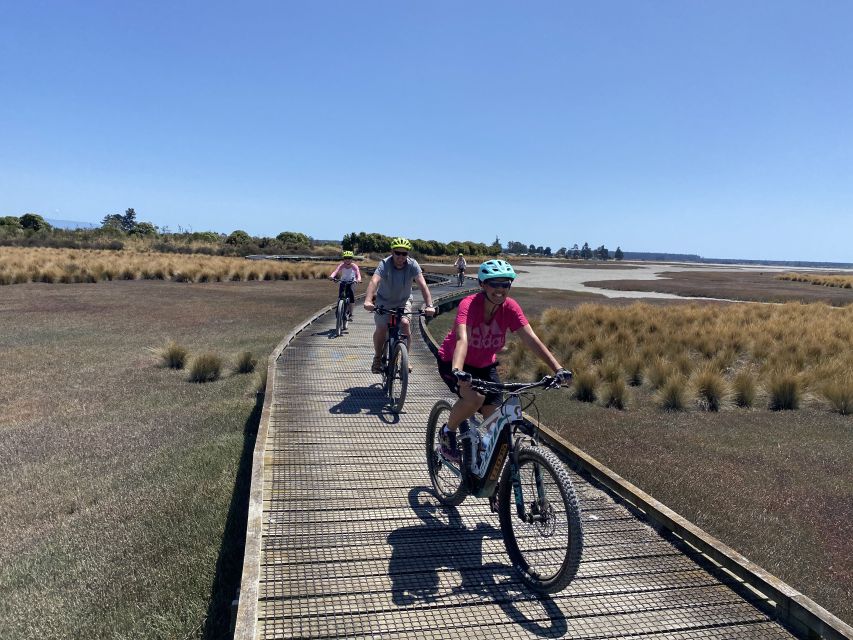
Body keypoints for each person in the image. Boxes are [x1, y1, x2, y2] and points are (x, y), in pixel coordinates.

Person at [434, 258, 571, 463]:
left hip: (485, 364)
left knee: (495, 419)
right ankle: (448, 432)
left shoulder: (511, 308)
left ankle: (485, 472)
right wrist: (458, 370)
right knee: (474, 399)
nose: (500, 289)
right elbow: (463, 339)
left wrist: (558, 368)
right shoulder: (469, 304)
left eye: (505, 284)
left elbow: (531, 339)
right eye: (494, 283)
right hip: (453, 361)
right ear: (482, 284)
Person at [363, 237, 436, 373]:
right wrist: (368, 300)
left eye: (404, 254)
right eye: (398, 253)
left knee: (405, 323)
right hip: (383, 301)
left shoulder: (413, 264)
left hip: (404, 301)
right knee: (381, 327)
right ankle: (378, 358)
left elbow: (423, 285)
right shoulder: (384, 264)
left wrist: (429, 305)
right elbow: (374, 281)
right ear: (392, 252)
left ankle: (405, 359)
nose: (401, 257)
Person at [329, 250, 361, 320]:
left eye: (349, 258)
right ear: (344, 259)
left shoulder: (354, 266)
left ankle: (351, 313)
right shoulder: (342, 265)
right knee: (340, 296)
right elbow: (336, 271)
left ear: (352, 259)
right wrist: (332, 276)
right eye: (346, 258)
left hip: (351, 282)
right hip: (343, 282)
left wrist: (358, 279)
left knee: (351, 296)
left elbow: (358, 274)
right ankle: (339, 309)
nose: (347, 260)